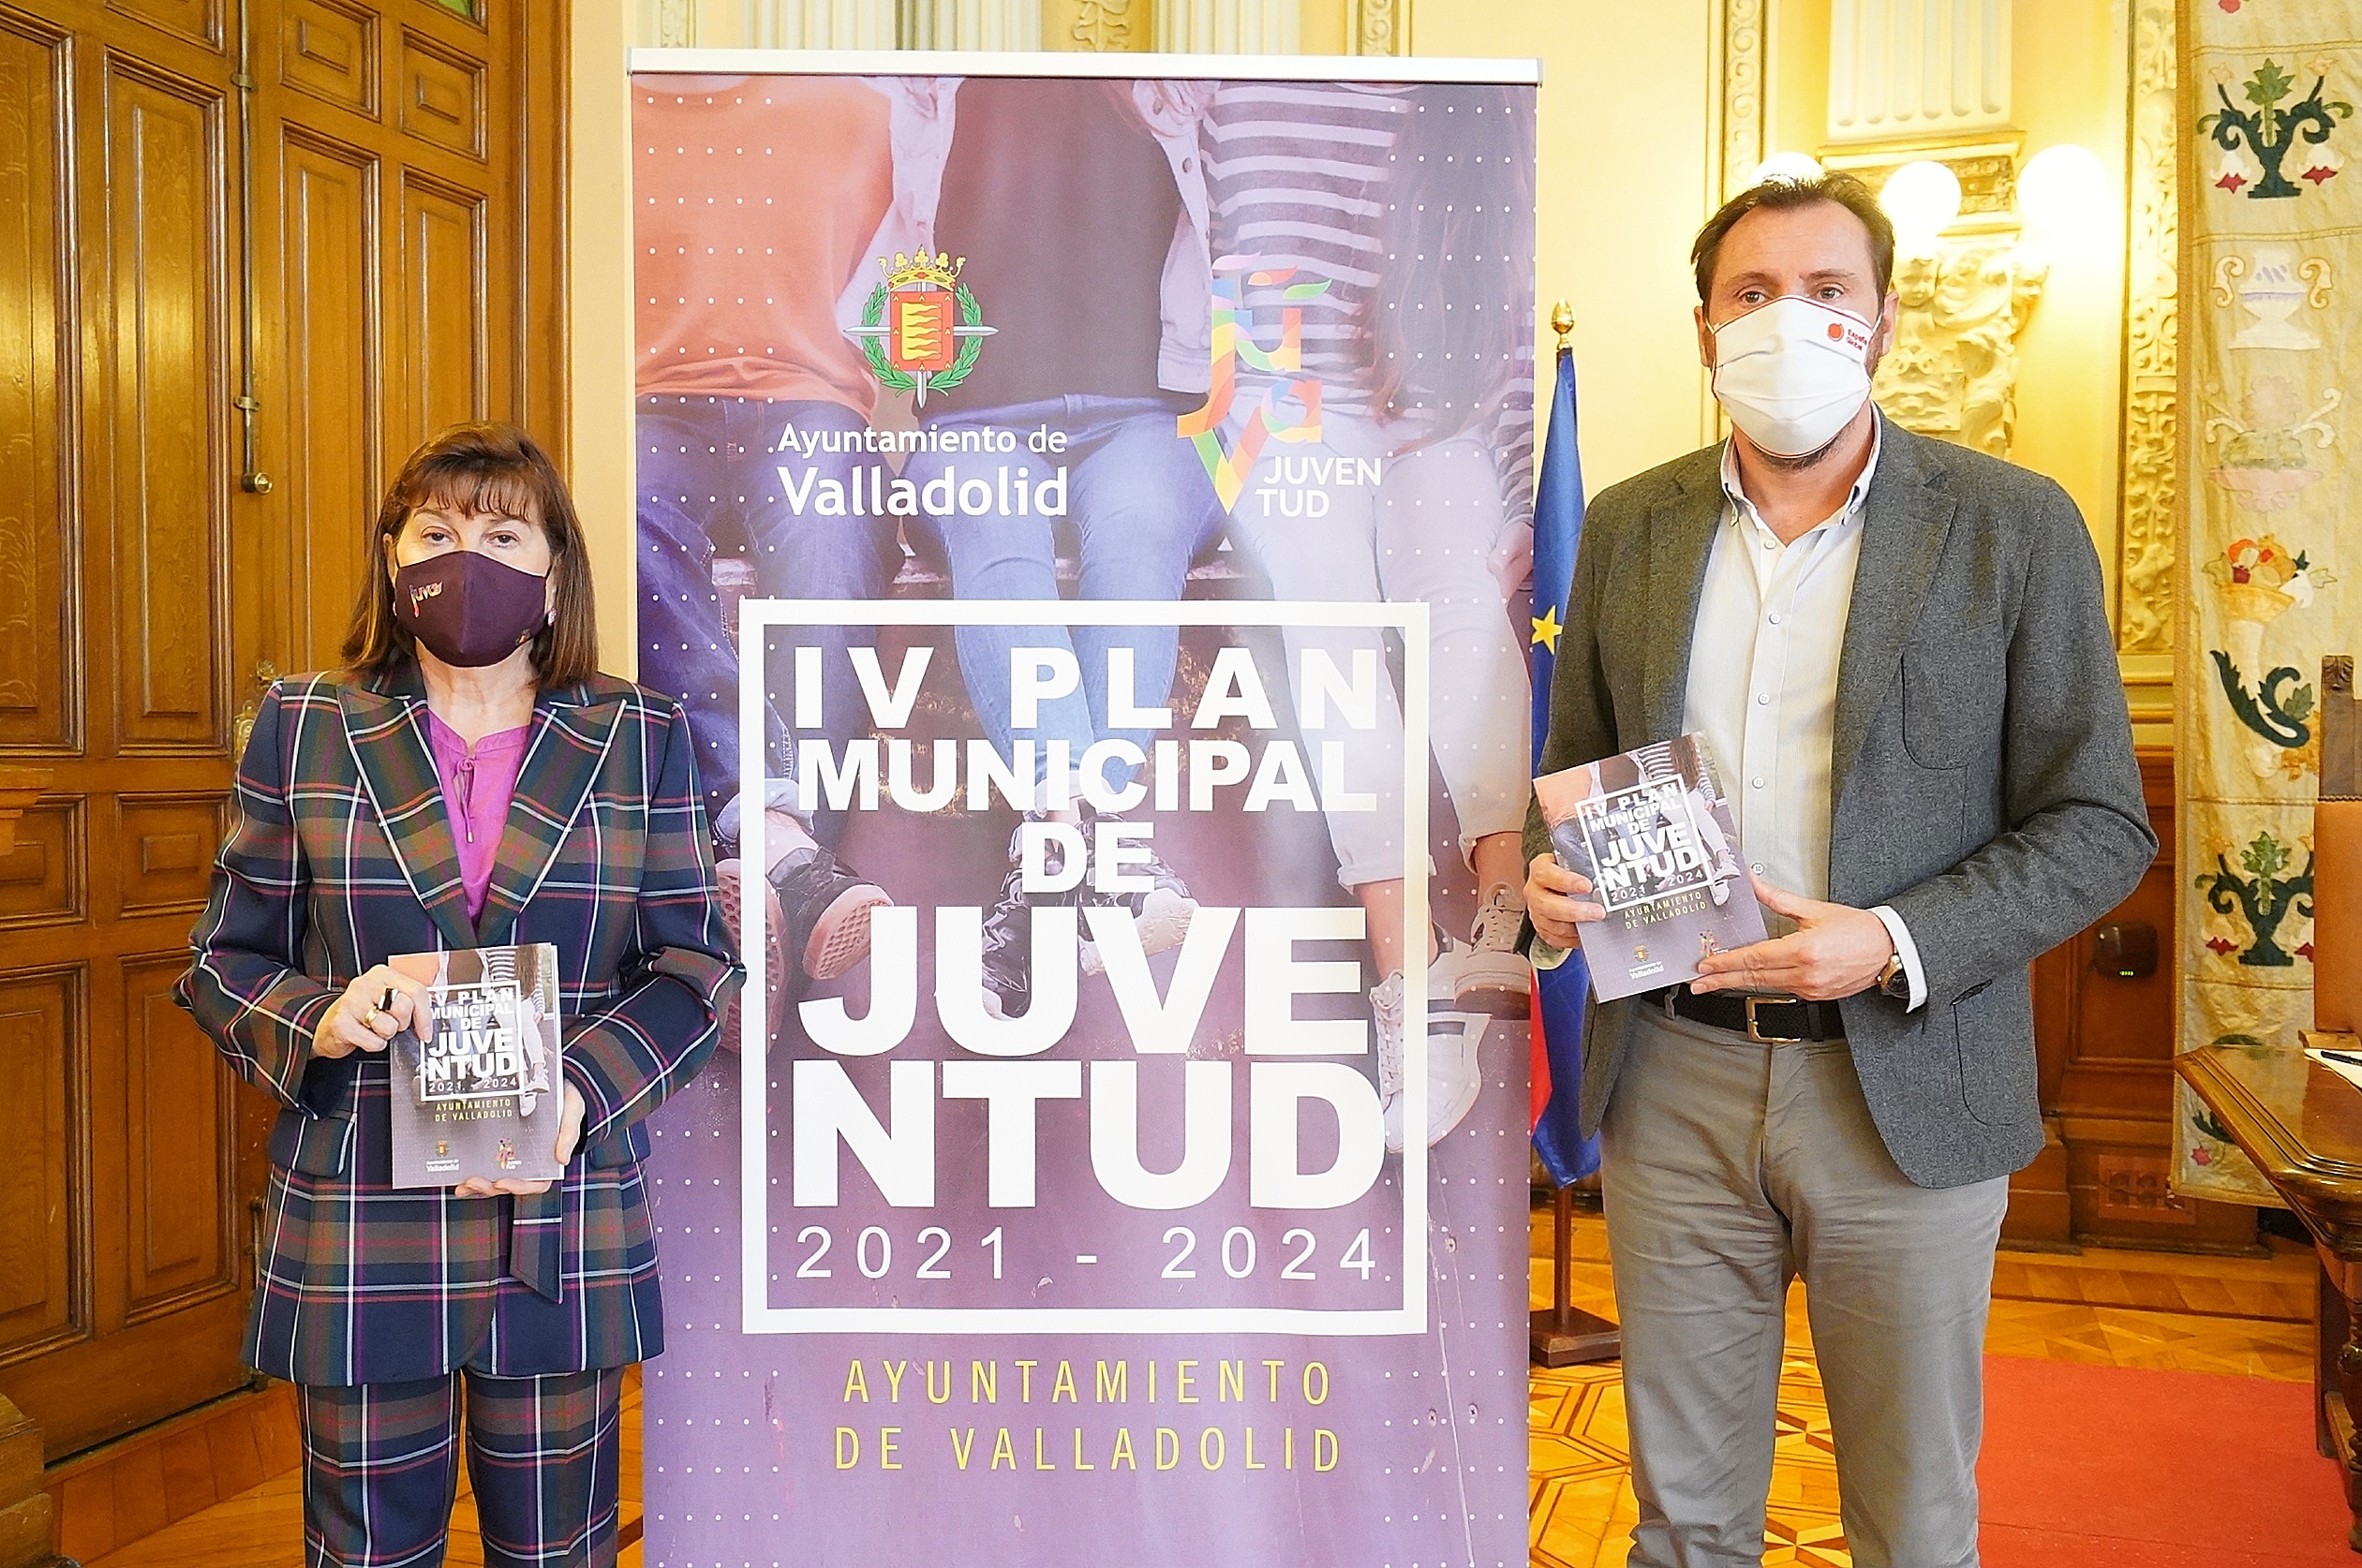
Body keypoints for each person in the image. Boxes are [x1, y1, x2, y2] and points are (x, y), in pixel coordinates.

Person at [1522, 173, 2155, 1566]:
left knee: (1911, 1523)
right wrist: (1545, 877)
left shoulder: (2007, 522)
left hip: (1904, 1074)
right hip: (1671, 1075)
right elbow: (1570, 772)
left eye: (1825, 292)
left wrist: (1889, 938)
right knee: (1684, 1522)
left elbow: (2099, 822)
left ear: (1883, 322)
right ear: (1704, 329)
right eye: (1751, 294)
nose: (1785, 320)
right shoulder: (1628, 524)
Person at [177, 423, 743, 1568]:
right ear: (393, 562)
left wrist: (577, 1092)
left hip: (558, 1206)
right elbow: (223, 960)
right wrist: (319, 1015)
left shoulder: (640, 734)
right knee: (368, 1552)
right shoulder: (306, 726)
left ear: (553, 574)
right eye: (434, 533)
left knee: (557, 1549)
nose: (465, 559)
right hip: (360, 1208)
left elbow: (694, 971)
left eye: (502, 535)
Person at [1198, 81, 1537, 1147]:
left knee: (1459, 595)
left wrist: (1519, 496)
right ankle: (1419, 975)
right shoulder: (1229, 97)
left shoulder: (1470, 100)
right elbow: (1204, 279)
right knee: (1331, 628)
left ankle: (1494, 916)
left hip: (1436, 417)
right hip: (1287, 415)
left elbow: (1507, 317)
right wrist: (1229, 446)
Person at [633, 74, 895, 1025]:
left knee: (832, 547)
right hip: (646, 397)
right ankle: (792, 861)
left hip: (808, 398)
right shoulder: (591, 109)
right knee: (621, 524)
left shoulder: (857, 110)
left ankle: (765, 880)